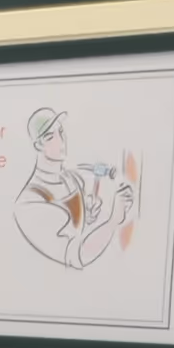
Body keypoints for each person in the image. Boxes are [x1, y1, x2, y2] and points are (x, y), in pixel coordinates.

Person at [12, 106, 133, 271]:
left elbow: (78, 229)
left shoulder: (72, 180)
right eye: (50, 137)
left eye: (61, 132)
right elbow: (79, 255)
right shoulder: (29, 204)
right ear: (38, 145)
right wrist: (113, 220)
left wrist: (87, 217)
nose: (60, 141)